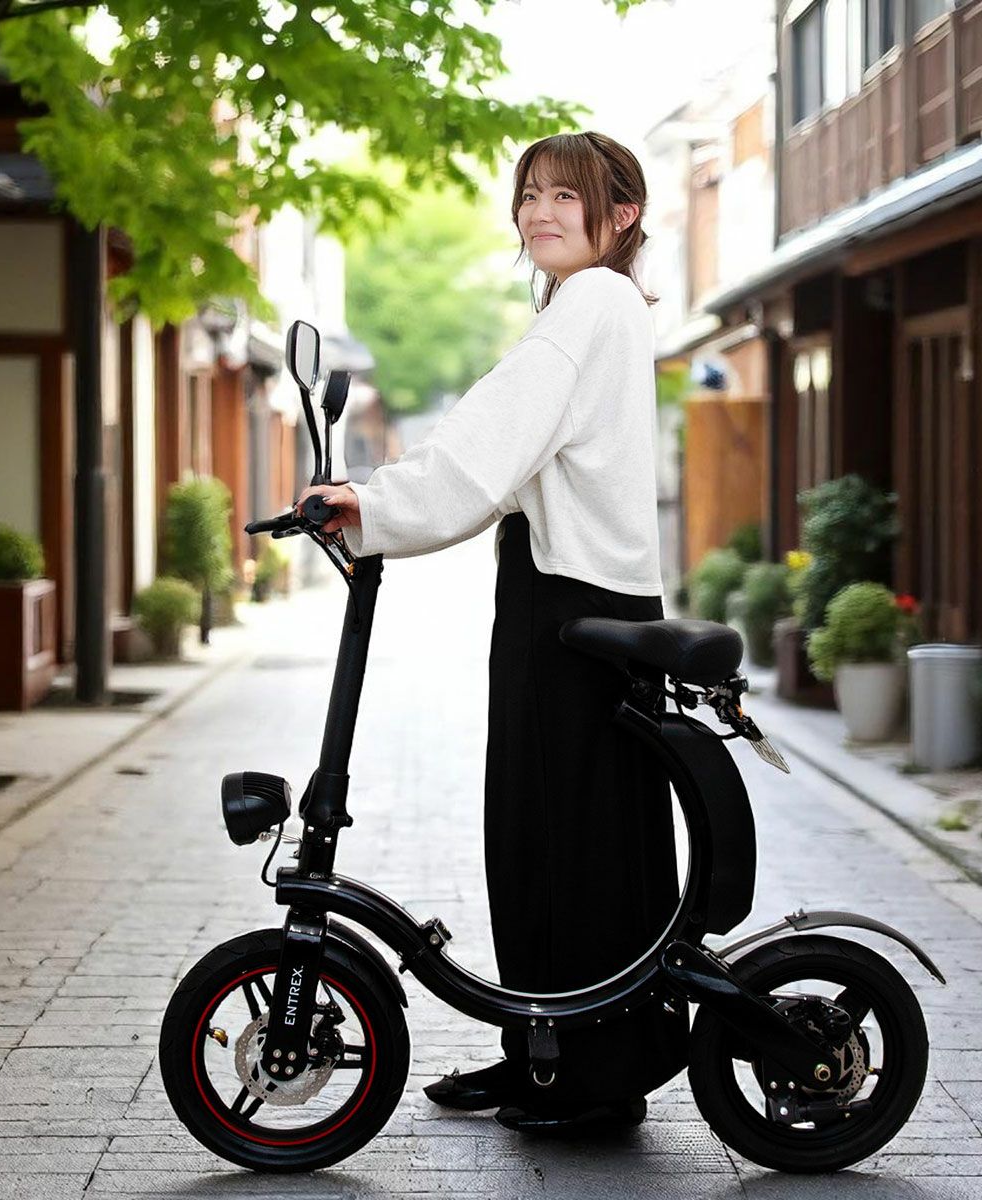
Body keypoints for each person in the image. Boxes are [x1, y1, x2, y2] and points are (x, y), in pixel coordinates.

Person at [297, 131, 687, 1134]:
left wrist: (373, 502)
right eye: (529, 196)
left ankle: (585, 1078)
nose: (539, 213)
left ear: (622, 215)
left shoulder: (589, 303)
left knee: (561, 839)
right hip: (586, 602)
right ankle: (549, 1057)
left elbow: (485, 443)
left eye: (566, 196)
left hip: (569, 610)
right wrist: (390, 499)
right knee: (561, 836)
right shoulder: (593, 307)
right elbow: (507, 452)